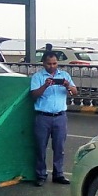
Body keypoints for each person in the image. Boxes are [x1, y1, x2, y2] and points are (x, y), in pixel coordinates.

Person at [30, 51, 78, 187]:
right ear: (44, 63)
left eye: (54, 63)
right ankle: (40, 175)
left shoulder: (64, 75)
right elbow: (33, 95)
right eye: (49, 64)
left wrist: (67, 85)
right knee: (40, 147)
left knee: (59, 148)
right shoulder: (37, 77)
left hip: (60, 117)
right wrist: (45, 85)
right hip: (43, 117)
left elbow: (75, 91)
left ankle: (58, 174)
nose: (52, 66)